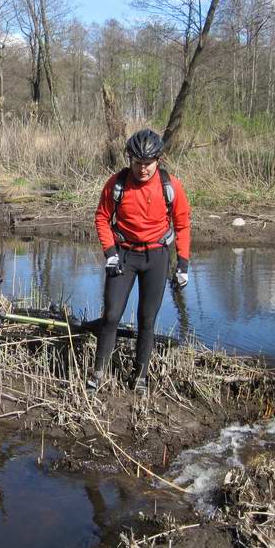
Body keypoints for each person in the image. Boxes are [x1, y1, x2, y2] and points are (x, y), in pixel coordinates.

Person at [90, 128, 191, 395]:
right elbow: (102, 218)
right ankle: (98, 372)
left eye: (148, 164)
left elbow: (182, 224)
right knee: (111, 316)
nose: (143, 169)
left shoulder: (171, 186)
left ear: (158, 160)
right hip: (123, 254)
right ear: (129, 159)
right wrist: (110, 252)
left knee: (147, 319)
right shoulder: (117, 184)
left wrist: (182, 264)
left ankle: (141, 375)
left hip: (156, 256)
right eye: (137, 163)